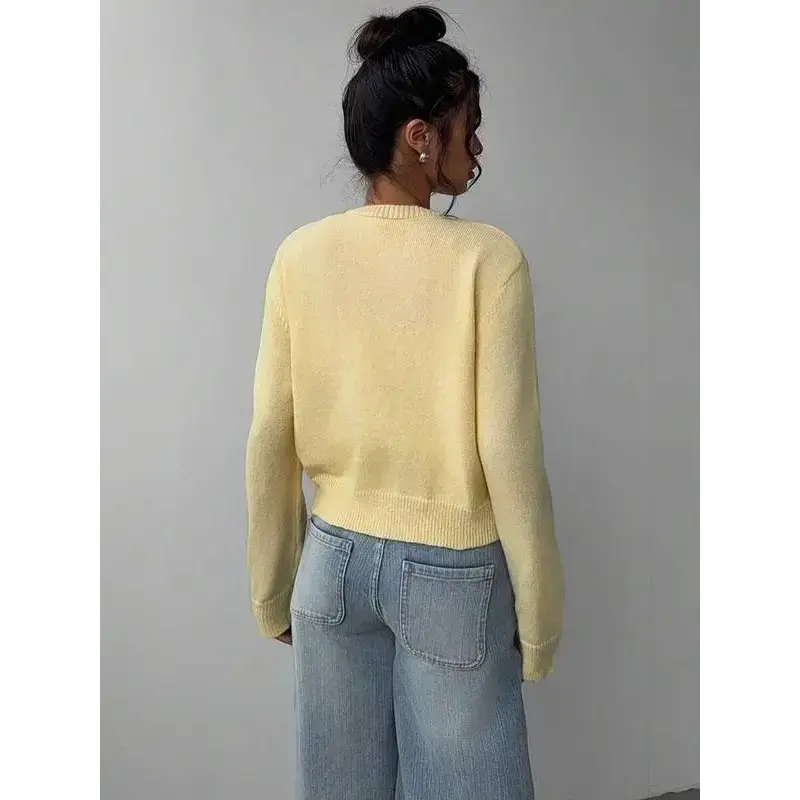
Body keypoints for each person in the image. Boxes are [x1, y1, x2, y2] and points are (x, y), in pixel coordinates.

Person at [245, 6, 565, 798]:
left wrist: (273, 586)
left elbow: (271, 436)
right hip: (453, 573)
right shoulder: (488, 260)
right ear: (421, 137)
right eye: (470, 128)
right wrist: (541, 612)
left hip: (332, 564)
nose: (478, 148)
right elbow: (509, 449)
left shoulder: (300, 256)